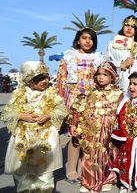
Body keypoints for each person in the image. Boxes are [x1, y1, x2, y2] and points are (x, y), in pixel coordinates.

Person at [2, 61, 67, 193]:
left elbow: (62, 110)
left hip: (46, 138)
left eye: (46, 77)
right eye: (39, 79)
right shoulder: (19, 95)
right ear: (29, 80)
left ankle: (44, 189)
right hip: (23, 138)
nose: (45, 81)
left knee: (45, 169)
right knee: (23, 170)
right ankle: (24, 189)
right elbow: (7, 113)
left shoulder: (51, 93)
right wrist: (21, 116)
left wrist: (48, 115)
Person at [56, 27, 103, 183]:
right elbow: (61, 81)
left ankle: (85, 168)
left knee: (90, 135)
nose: (87, 41)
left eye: (91, 38)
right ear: (78, 40)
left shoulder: (98, 58)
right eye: (84, 38)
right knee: (76, 136)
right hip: (75, 100)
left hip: (93, 100)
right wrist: (61, 102)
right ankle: (71, 170)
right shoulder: (69, 57)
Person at [69, 62, 123, 193]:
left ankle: (107, 179)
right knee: (89, 155)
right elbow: (77, 110)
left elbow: (123, 113)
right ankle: (88, 182)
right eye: (98, 74)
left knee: (108, 155)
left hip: (109, 132)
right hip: (90, 131)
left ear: (112, 77)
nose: (101, 77)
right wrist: (73, 124)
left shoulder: (119, 94)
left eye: (105, 74)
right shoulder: (88, 93)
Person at [105, 15, 137, 92]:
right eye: (127, 25)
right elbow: (105, 64)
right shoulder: (112, 44)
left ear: (136, 29)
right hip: (120, 85)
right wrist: (121, 64)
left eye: (133, 26)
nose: (129, 28)